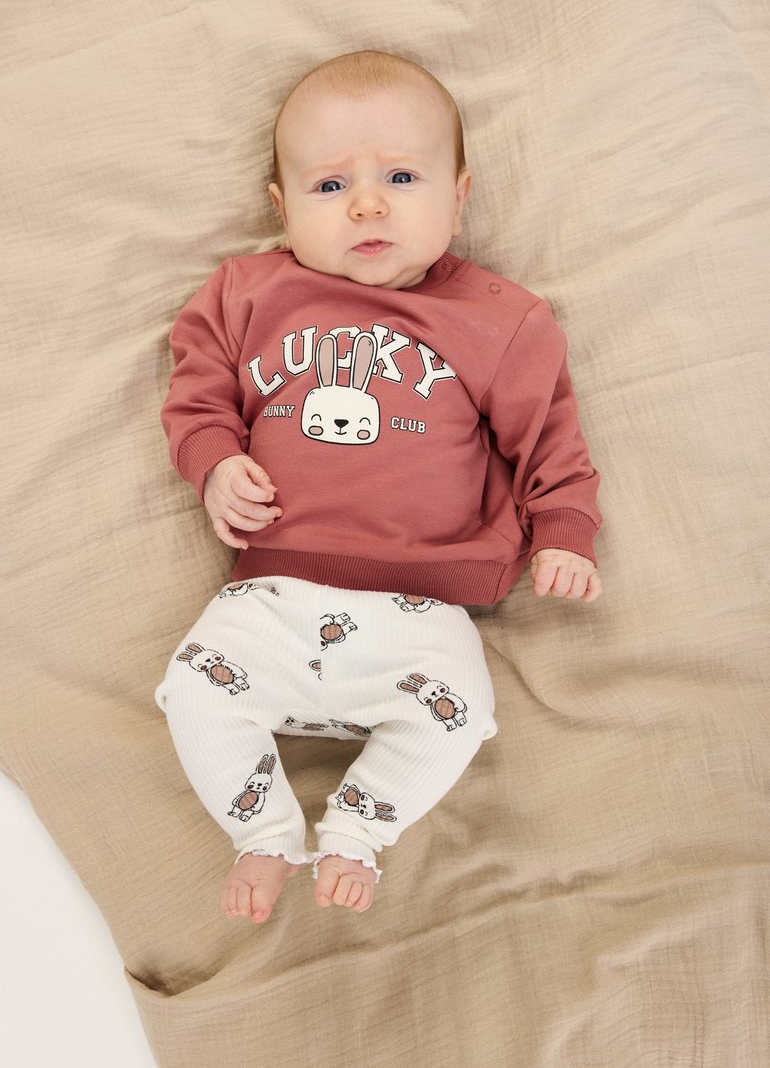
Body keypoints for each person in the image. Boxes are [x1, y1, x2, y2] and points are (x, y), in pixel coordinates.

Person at [156, 49, 603, 925]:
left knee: (463, 714)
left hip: (423, 609)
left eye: (401, 176)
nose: (367, 204)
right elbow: (196, 389)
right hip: (272, 597)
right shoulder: (248, 293)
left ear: (459, 194)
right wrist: (213, 461)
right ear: (280, 207)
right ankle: (266, 833)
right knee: (192, 687)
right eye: (329, 187)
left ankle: (358, 830)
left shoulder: (500, 319)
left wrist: (564, 530)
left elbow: (550, 435)